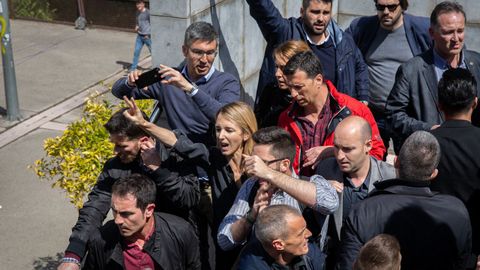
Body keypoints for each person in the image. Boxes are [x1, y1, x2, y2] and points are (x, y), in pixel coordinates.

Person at [121, 96, 257, 269]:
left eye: (229, 130)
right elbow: (178, 142)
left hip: (256, 246)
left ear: (245, 134)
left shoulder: (261, 162)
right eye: (218, 129)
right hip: (226, 243)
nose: (221, 136)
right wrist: (144, 124)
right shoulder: (215, 158)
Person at [57, 108, 201, 270]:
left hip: (174, 242)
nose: (115, 151)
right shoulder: (115, 167)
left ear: (144, 140)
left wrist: (159, 170)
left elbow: (189, 198)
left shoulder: (175, 156)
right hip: (130, 244)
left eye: (121, 146)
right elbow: (95, 208)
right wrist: (74, 254)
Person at [336, 131, 472, 270]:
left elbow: (347, 263)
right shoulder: (457, 211)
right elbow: (464, 263)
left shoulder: (364, 210)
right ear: (433, 174)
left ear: (396, 162)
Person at [112, 21, 240, 145]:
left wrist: (191, 89)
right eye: (198, 52)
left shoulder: (227, 83)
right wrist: (129, 82)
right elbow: (118, 91)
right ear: (185, 51)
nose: (204, 60)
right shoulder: (168, 78)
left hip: (207, 157)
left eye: (210, 53)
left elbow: (227, 118)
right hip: (174, 153)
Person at [217, 126, 339, 251]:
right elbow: (224, 241)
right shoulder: (251, 185)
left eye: (263, 163)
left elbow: (330, 204)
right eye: (255, 162)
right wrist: (251, 216)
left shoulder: (310, 183)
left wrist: (269, 174)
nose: (256, 169)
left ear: (284, 164)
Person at [385, 1, 480, 152]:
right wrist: (429, 129)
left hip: (470, 154)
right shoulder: (412, 70)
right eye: (448, 32)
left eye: (460, 31)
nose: (456, 38)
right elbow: (393, 115)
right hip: (428, 156)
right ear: (432, 33)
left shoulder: (476, 63)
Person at [278, 51, 385, 176]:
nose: (293, 94)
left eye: (298, 87)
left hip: (343, 190)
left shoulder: (354, 111)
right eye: (290, 87)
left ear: (318, 80)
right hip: (299, 191)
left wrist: (333, 151)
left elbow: (376, 154)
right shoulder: (286, 118)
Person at [347, 0, 431, 153]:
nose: (386, 12)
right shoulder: (362, 28)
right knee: (371, 159)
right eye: (380, 7)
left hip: (406, 114)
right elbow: (343, 52)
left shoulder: (421, 29)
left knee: (410, 160)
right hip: (373, 112)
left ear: (403, 5)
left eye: (392, 7)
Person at [247, 0, 369, 105]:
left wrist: (363, 97)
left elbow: (359, 65)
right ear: (302, 11)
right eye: (315, 12)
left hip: (332, 120)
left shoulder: (343, 41)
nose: (321, 19)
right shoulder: (286, 33)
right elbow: (263, 8)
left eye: (326, 13)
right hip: (288, 119)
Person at [315, 116, 395, 267]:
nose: (339, 156)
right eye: (336, 147)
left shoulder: (389, 177)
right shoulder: (326, 170)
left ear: (368, 145)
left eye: (348, 149)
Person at [83, 174, 200, 269]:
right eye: (114, 211)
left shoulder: (181, 231)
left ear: (149, 210)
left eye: (126, 214)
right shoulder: (101, 239)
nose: (118, 220)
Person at [430, 68, 480, 259]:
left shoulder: (426, 142)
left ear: (439, 105)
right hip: (473, 245)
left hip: (434, 240)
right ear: (475, 102)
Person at [235, 205, 325, 269]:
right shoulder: (250, 266)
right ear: (278, 245)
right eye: (301, 233)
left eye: (305, 228)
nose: (309, 234)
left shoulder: (307, 251)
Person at [254, 40, 311, 128]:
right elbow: (257, 124)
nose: (277, 74)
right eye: (277, 67)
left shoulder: (312, 98)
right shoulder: (270, 91)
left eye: (284, 68)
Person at [130, 0, 152, 71]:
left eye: (139, 4)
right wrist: (136, 26)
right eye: (137, 4)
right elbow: (137, 22)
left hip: (147, 37)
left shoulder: (148, 13)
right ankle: (133, 69)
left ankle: (157, 66)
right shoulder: (137, 12)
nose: (138, 6)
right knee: (136, 52)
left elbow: (153, 24)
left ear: (143, 4)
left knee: (153, 52)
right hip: (139, 36)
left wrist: (149, 34)